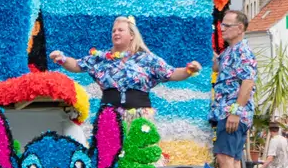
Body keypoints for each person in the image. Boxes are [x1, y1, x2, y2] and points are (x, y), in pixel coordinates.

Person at [48, 16, 202, 111]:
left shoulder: (146, 59)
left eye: (120, 30)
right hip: (109, 114)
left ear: (131, 35)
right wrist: (61, 58)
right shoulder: (101, 57)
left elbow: (172, 73)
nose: (116, 33)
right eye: (114, 31)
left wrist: (189, 70)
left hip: (138, 114)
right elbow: (76, 65)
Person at [210, 8, 256, 168]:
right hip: (228, 112)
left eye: (227, 26)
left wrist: (236, 112)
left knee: (224, 157)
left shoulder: (242, 52)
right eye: (222, 25)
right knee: (233, 158)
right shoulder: (230, 51)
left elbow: (248, 82)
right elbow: (216, 65)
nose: (222, 29)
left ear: (240, 28)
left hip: (232, 113)